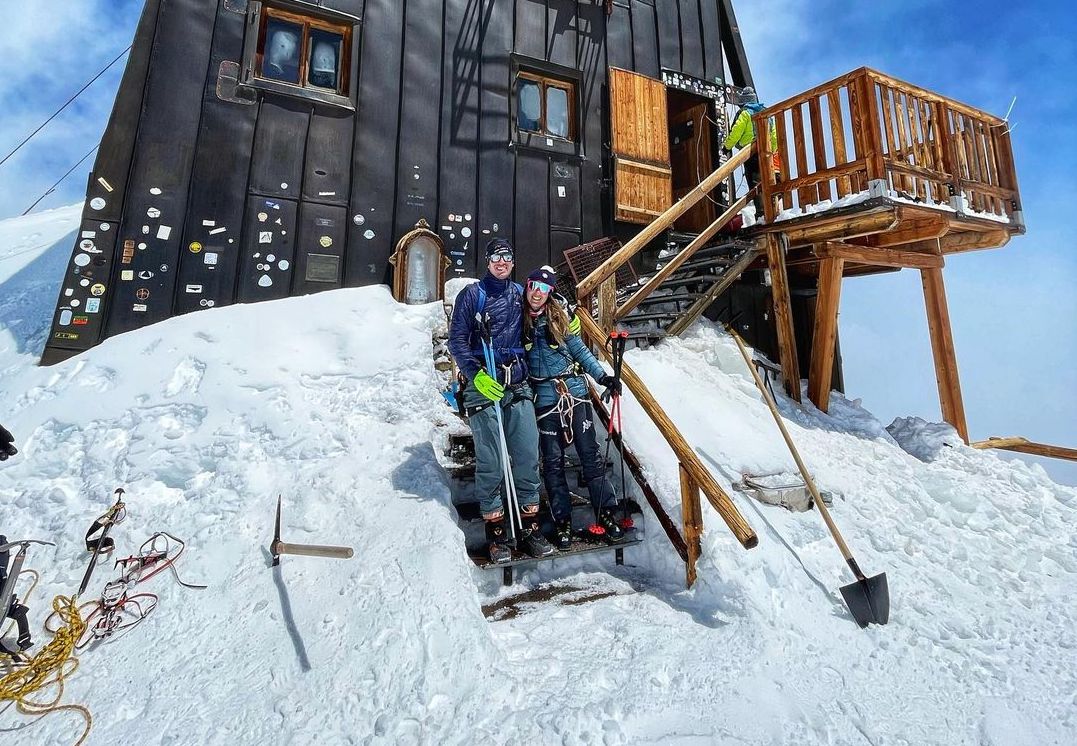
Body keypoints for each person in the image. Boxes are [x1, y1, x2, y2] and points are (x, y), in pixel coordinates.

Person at [447, 240, 555, 563]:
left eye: (507, 257)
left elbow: (542, 305)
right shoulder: (472, 296)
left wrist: (567, 318)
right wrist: (474, 373)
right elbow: (456, 340)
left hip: (516, 382)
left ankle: (530, 527)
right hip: (484, 382)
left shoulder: (519, 293)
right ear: (487, 260)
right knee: (492, 458)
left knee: (525, 450)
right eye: (496, 256)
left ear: (513, 262)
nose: (502, 262)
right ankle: (496, 534)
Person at [522, 267, 625, 550]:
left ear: (550, 293)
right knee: (552, 462)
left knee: (590, 457)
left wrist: (602, 376)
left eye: (543, 289)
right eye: (533, 287)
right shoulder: (519, 322)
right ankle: (562, 519)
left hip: (575, 394)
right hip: (544, 398)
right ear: (527, 287)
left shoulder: (559, 319)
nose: (537, 294)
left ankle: (606, 513)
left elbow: (581, 352)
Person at [722, 87, 781, 216]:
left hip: (751, 153)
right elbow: (774, 134)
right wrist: (772, 149)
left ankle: (761, 213)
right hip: (766, 151)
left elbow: (736, 131)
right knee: (769, 179)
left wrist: (727, 146)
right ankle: (773, 209)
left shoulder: (745, 113)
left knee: (755, 183)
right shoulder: (766, 112)